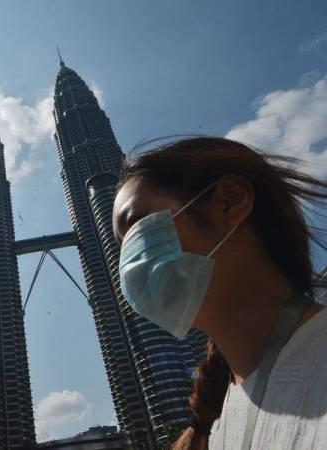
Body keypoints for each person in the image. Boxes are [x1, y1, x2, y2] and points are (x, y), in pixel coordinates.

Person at [111, 137, 327, 450]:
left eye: (135, 225)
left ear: (230, 201)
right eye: (122, 246)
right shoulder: (219, 422)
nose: (129, 262)